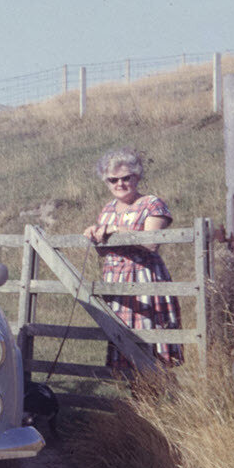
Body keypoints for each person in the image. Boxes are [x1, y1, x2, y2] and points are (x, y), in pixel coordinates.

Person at [82, 148, 183, 370]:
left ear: (136, 177)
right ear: (106, 182)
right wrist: (96, 235)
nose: (120, 184)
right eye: (113, 180)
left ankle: (159, 400)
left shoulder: (151, 204)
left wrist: (115, 229)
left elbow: (150, 243)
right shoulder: (107, 209)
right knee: (124, 345)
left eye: (126, 178)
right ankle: (137, 402)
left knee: (150, 346)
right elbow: (105, 252)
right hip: (116, 283)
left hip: (144, 280)